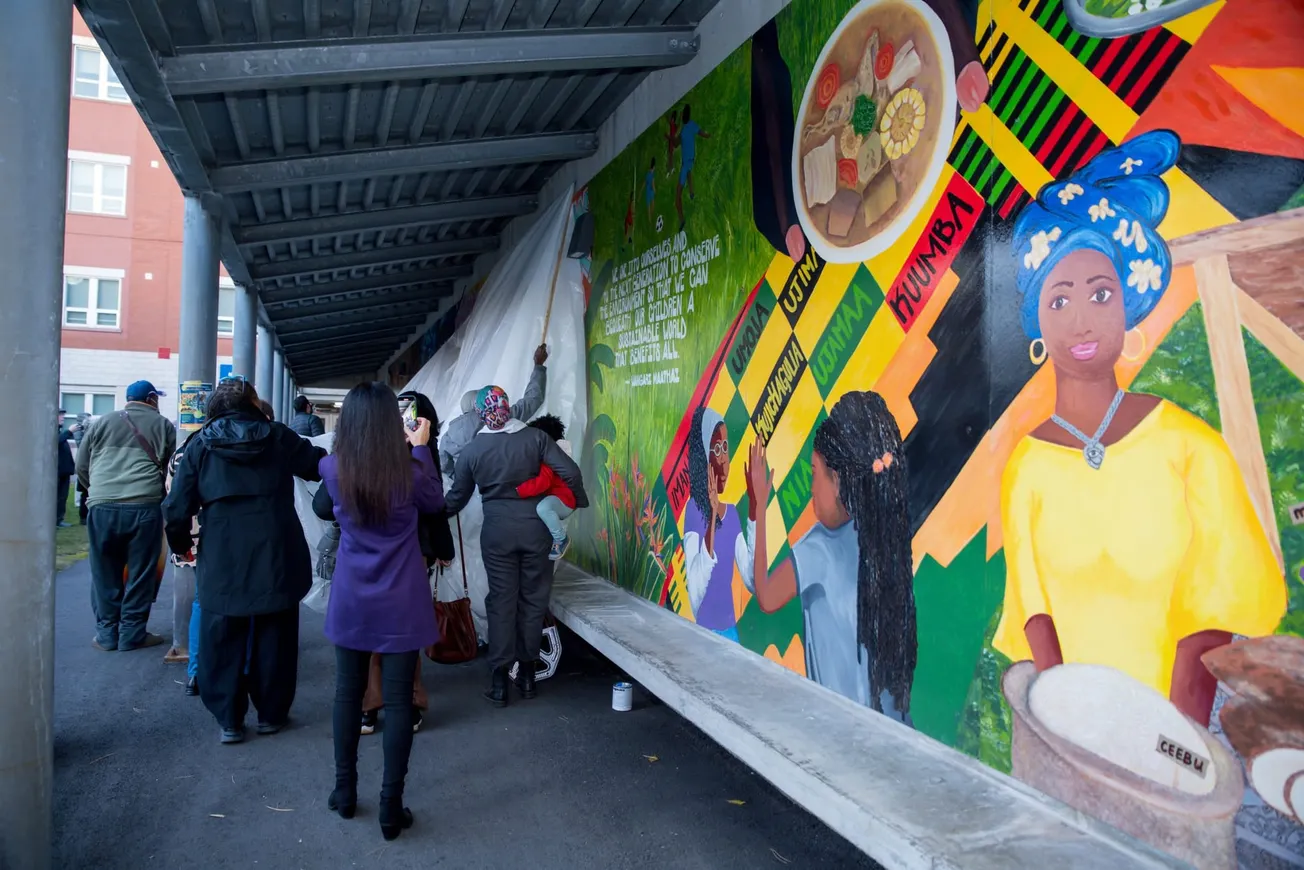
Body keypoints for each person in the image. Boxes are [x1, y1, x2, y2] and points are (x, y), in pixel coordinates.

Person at [994, 130, 1285, 726]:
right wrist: (1073, 731)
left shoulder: (1190, 448)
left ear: (1128, 309)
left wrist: (1168, 746)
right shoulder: (1026, 468)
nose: (1081, 321)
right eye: (1059, 301)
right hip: (1075, 740)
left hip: (1184, 743)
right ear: (1037, 331)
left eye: (1100, 294)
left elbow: (1214, 612)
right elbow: (1034, 616)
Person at [312, 382, 444, 840]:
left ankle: (344, 793)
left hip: (352, 595)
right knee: (400, 700)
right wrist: (422, 448)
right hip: (402, 597)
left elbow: (325, 509)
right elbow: (436, 501)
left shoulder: (332, 467)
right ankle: (391, 805)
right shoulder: (409, 472)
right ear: (394, 423)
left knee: (347, 695)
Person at [163, 377, 326, 743]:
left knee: (221, 635)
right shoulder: (278, 436)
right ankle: (271, 713)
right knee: (276, 636)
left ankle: (229, 720)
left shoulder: (200, 444)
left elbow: (176, 507)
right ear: (253, 402)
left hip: (222, 551)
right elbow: (320, 466)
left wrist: (180, 545)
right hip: (276, 548)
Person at [741, 391, 917, 721]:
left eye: (813, 474)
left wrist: (758, 504)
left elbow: (765, 594)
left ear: (837, 481)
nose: (810, 489)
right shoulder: (883, 538)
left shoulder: (817, 548)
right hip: (893, 728)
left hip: (843, 727)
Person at [445, 386, 587, 706]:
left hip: (497, 535)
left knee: (501, 602)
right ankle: (526, 676)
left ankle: (498, 681)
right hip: (536, 532)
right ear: (507, 407)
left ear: (481, 413)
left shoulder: (473, 449)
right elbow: (570, 472)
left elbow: (456, 498)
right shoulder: (536, 439)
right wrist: (577, 501)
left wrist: (430, 515)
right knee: (533, 599)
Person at [351, 389, 456, 737]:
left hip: (376, 553)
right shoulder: (422, 448)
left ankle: (372, 706)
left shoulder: (372, 447)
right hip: (413, 551)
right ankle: (403, 703)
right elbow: (434, 500)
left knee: (376, 626)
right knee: (404, 625)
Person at [77, 380, 177, 651]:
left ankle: (107, 634)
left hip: (102, 506)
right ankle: (133, 633)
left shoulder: (101, 423)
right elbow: (171, 468)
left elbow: (82, 466)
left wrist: (98, 491)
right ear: (152, 398)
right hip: (144, 506)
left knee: (103, 570)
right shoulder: (164, 426)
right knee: (140, 573)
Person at [438, 343, 549, 478]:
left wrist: (455, 476)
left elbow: (443, 462)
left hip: (468, 488)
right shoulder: (506, 418)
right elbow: (533, 398)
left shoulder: (453, 431)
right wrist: (538, 366)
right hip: (503, 483)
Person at [679, 408, 742, 641]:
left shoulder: (733, 514)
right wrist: (713, 519)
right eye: (717, 450)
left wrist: (757, 510)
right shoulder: (694, 511)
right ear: (703, 457)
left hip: (731, 633)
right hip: (704, 636)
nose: (724, 459)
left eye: (725, 448)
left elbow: (752, 580)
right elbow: (695, 595)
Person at [516, 414, 575, 561]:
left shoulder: (550, 458)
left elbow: (543, 482)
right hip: (558, 498)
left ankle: (561, 539)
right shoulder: (553, 454)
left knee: (543, 508)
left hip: (563, 500)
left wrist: (519, 490)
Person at [675, 104, 709, 231]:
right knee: (688, 171)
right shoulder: (691, 126)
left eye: (682, 114)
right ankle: (692, 193)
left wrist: (671, 135)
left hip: (686, 164)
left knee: (677, 196)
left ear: (684, 115)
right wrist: (708, 135)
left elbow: (675, 144)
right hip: (690, 161)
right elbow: (702, 134)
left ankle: (681, 219)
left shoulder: (684, 130)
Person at [57, 410, 77, 527]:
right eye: (60, 415)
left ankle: (59, 519)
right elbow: (56, 442)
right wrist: (69, 431)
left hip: (65, 470)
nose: (63, 417)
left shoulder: (60, 432)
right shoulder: (51, 430)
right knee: (57, 496)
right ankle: (54, 520)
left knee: (63, 497)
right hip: (57, 471)